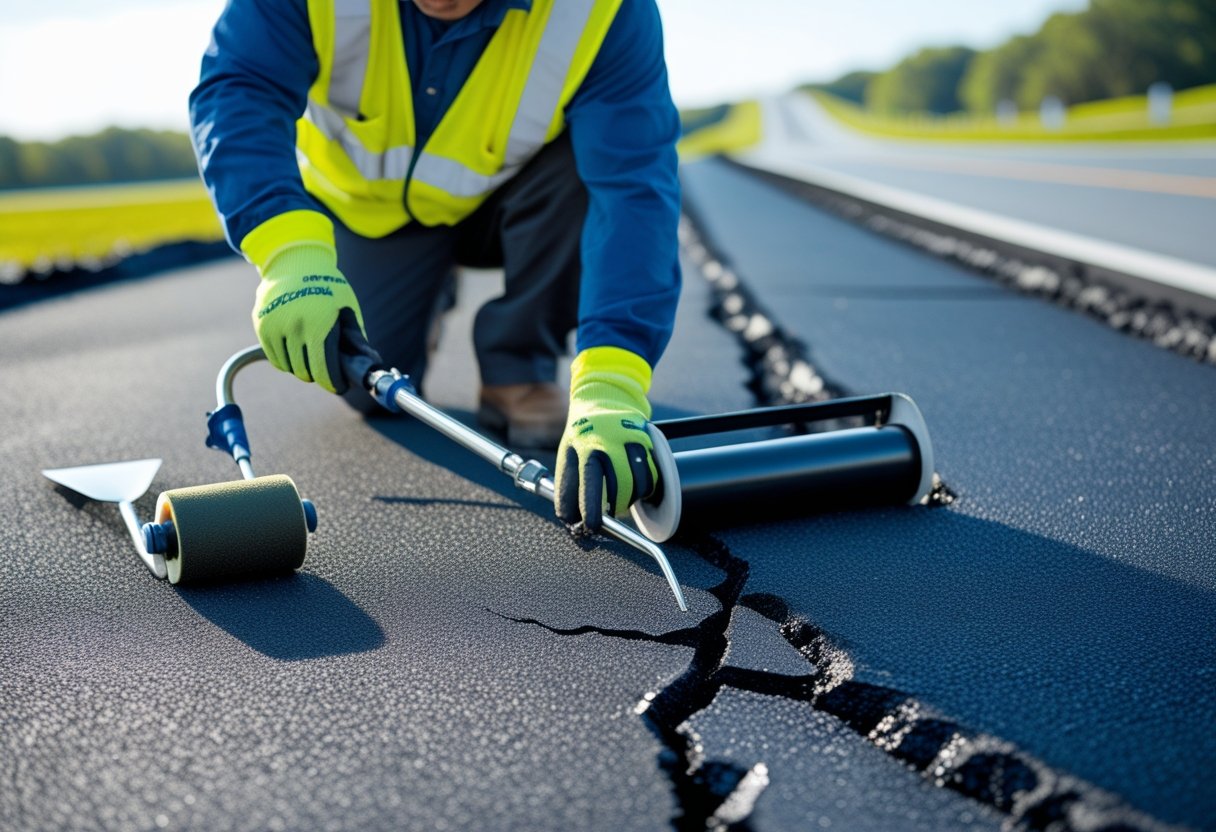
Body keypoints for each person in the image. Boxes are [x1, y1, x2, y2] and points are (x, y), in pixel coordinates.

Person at [189, 0, 682, 531]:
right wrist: (289, 254)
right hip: (375, 215)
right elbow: (240, 89)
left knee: (588, 178)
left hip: (515, 195)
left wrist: (613, 385)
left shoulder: (603, 11)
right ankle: (428, 291)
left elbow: (633, 192)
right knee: (366, 381)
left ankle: (518, 366)